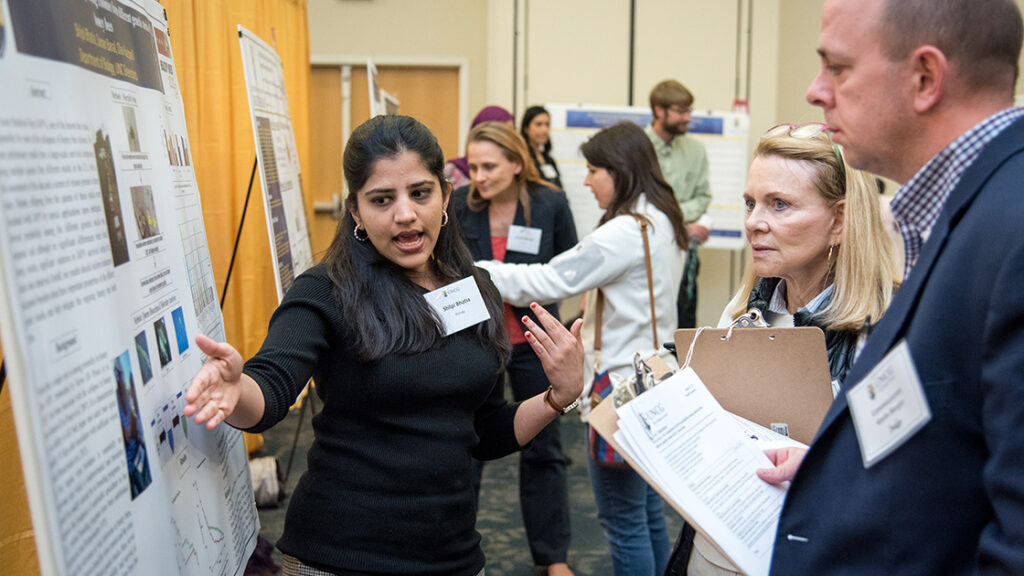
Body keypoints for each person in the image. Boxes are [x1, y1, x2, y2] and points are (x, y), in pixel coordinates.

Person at [184, 115, 585, 576]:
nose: (405, 214)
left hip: (451, 558)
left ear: (445, 196)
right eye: (381, 199)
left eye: (420, 193)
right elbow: (271, 385)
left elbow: (484, 428)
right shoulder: (326, 290)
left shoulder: (476, 289)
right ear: (355, 210)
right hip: (339, 558)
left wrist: (558, 397)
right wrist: (238, 390)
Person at [757, 1, 1024, 574]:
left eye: (838, 67)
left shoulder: (1012, 222)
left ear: (925, 78)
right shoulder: (966, 211)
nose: (815, 91)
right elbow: (957, 442)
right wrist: (837, 471)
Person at [669, 123, 901, 576]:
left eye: (780, 204)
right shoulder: (742, 311)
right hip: (721, 547)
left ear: (839, 221)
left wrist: (821, 467)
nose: (755, 221)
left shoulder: (886, 330)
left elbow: (907, 469)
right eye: (751, 203)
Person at [477, 121, 688, 576]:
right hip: (656, 375)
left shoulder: (625, 232)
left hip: (620, 386)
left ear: (620, 169)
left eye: (593, 169)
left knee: (623, 519)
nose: (587, 181)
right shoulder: (664, 218)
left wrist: (475, 270)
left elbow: (550, 278)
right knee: (646, 512)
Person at [453, 121, 578, 575]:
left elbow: (570, 268)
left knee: (543, 449)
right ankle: (455, 548)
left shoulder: (550, 204)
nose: (478, 177)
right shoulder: (458, 206)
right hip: (475, 342)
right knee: (468, 447)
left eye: (489, 167)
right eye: (474, 166)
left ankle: (553, 557)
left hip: (533, 343)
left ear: (517, 164)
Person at [645, 80, 711, 330]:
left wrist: (672, 216)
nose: (687, 118)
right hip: (645, 257)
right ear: (659, 111)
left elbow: (703, 197)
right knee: (650, 328)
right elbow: (635, 204)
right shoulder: (637, 148)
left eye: (689, 111)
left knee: (683, 328)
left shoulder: (696, 150)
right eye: (681, 111)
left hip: (686, 256)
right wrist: (680, 222)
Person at [445, 105, 515, 188]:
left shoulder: (513, 166)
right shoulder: (453, 171)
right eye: (504, 133)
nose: (511, 138)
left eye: (512, 132)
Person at [521, 105, 563, 188]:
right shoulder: (523, 159)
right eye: (539, 124)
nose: (544, 130)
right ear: (526, 128)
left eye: (547, 124)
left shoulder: (549, 159)